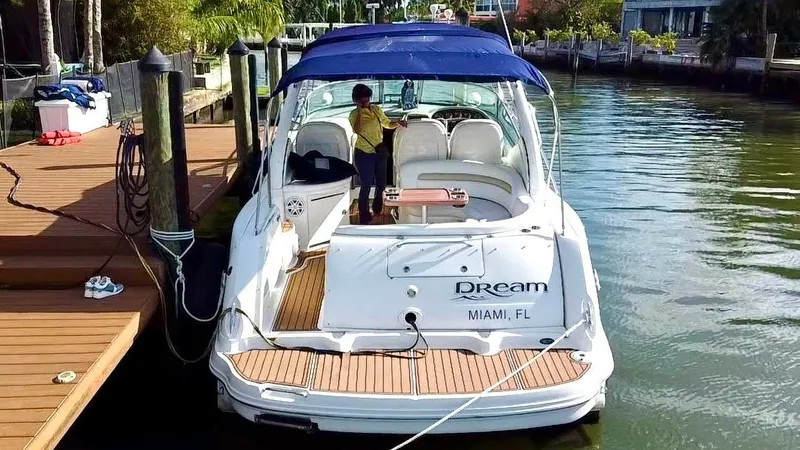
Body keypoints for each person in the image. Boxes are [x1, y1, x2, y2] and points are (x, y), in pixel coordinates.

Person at [349, 84, 407, 224]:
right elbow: (356, 130)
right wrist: (360, 110)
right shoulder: (354, 114)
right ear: (356, 100)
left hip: (379, 151)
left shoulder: (376, 109)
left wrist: (397, 123)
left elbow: (386, 123)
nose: (365, 103)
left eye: (367, 99)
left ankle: (377, 208)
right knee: (366, 185)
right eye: (362, 101)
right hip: (363, 153)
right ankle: (364, 215)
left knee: (381, 184)